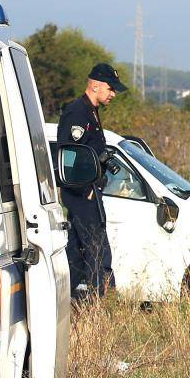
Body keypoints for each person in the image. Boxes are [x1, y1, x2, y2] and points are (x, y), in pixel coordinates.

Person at [57, 63, 127, 301]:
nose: (113, 94)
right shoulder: (77, 112)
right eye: (111, 89)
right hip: (81, 193)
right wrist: (84, 188)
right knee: (97, 247)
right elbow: (68, 154)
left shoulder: (92, 111)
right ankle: (104, 301)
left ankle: (60, 299)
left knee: (76, 253)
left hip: (89, 189)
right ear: (95, 85)